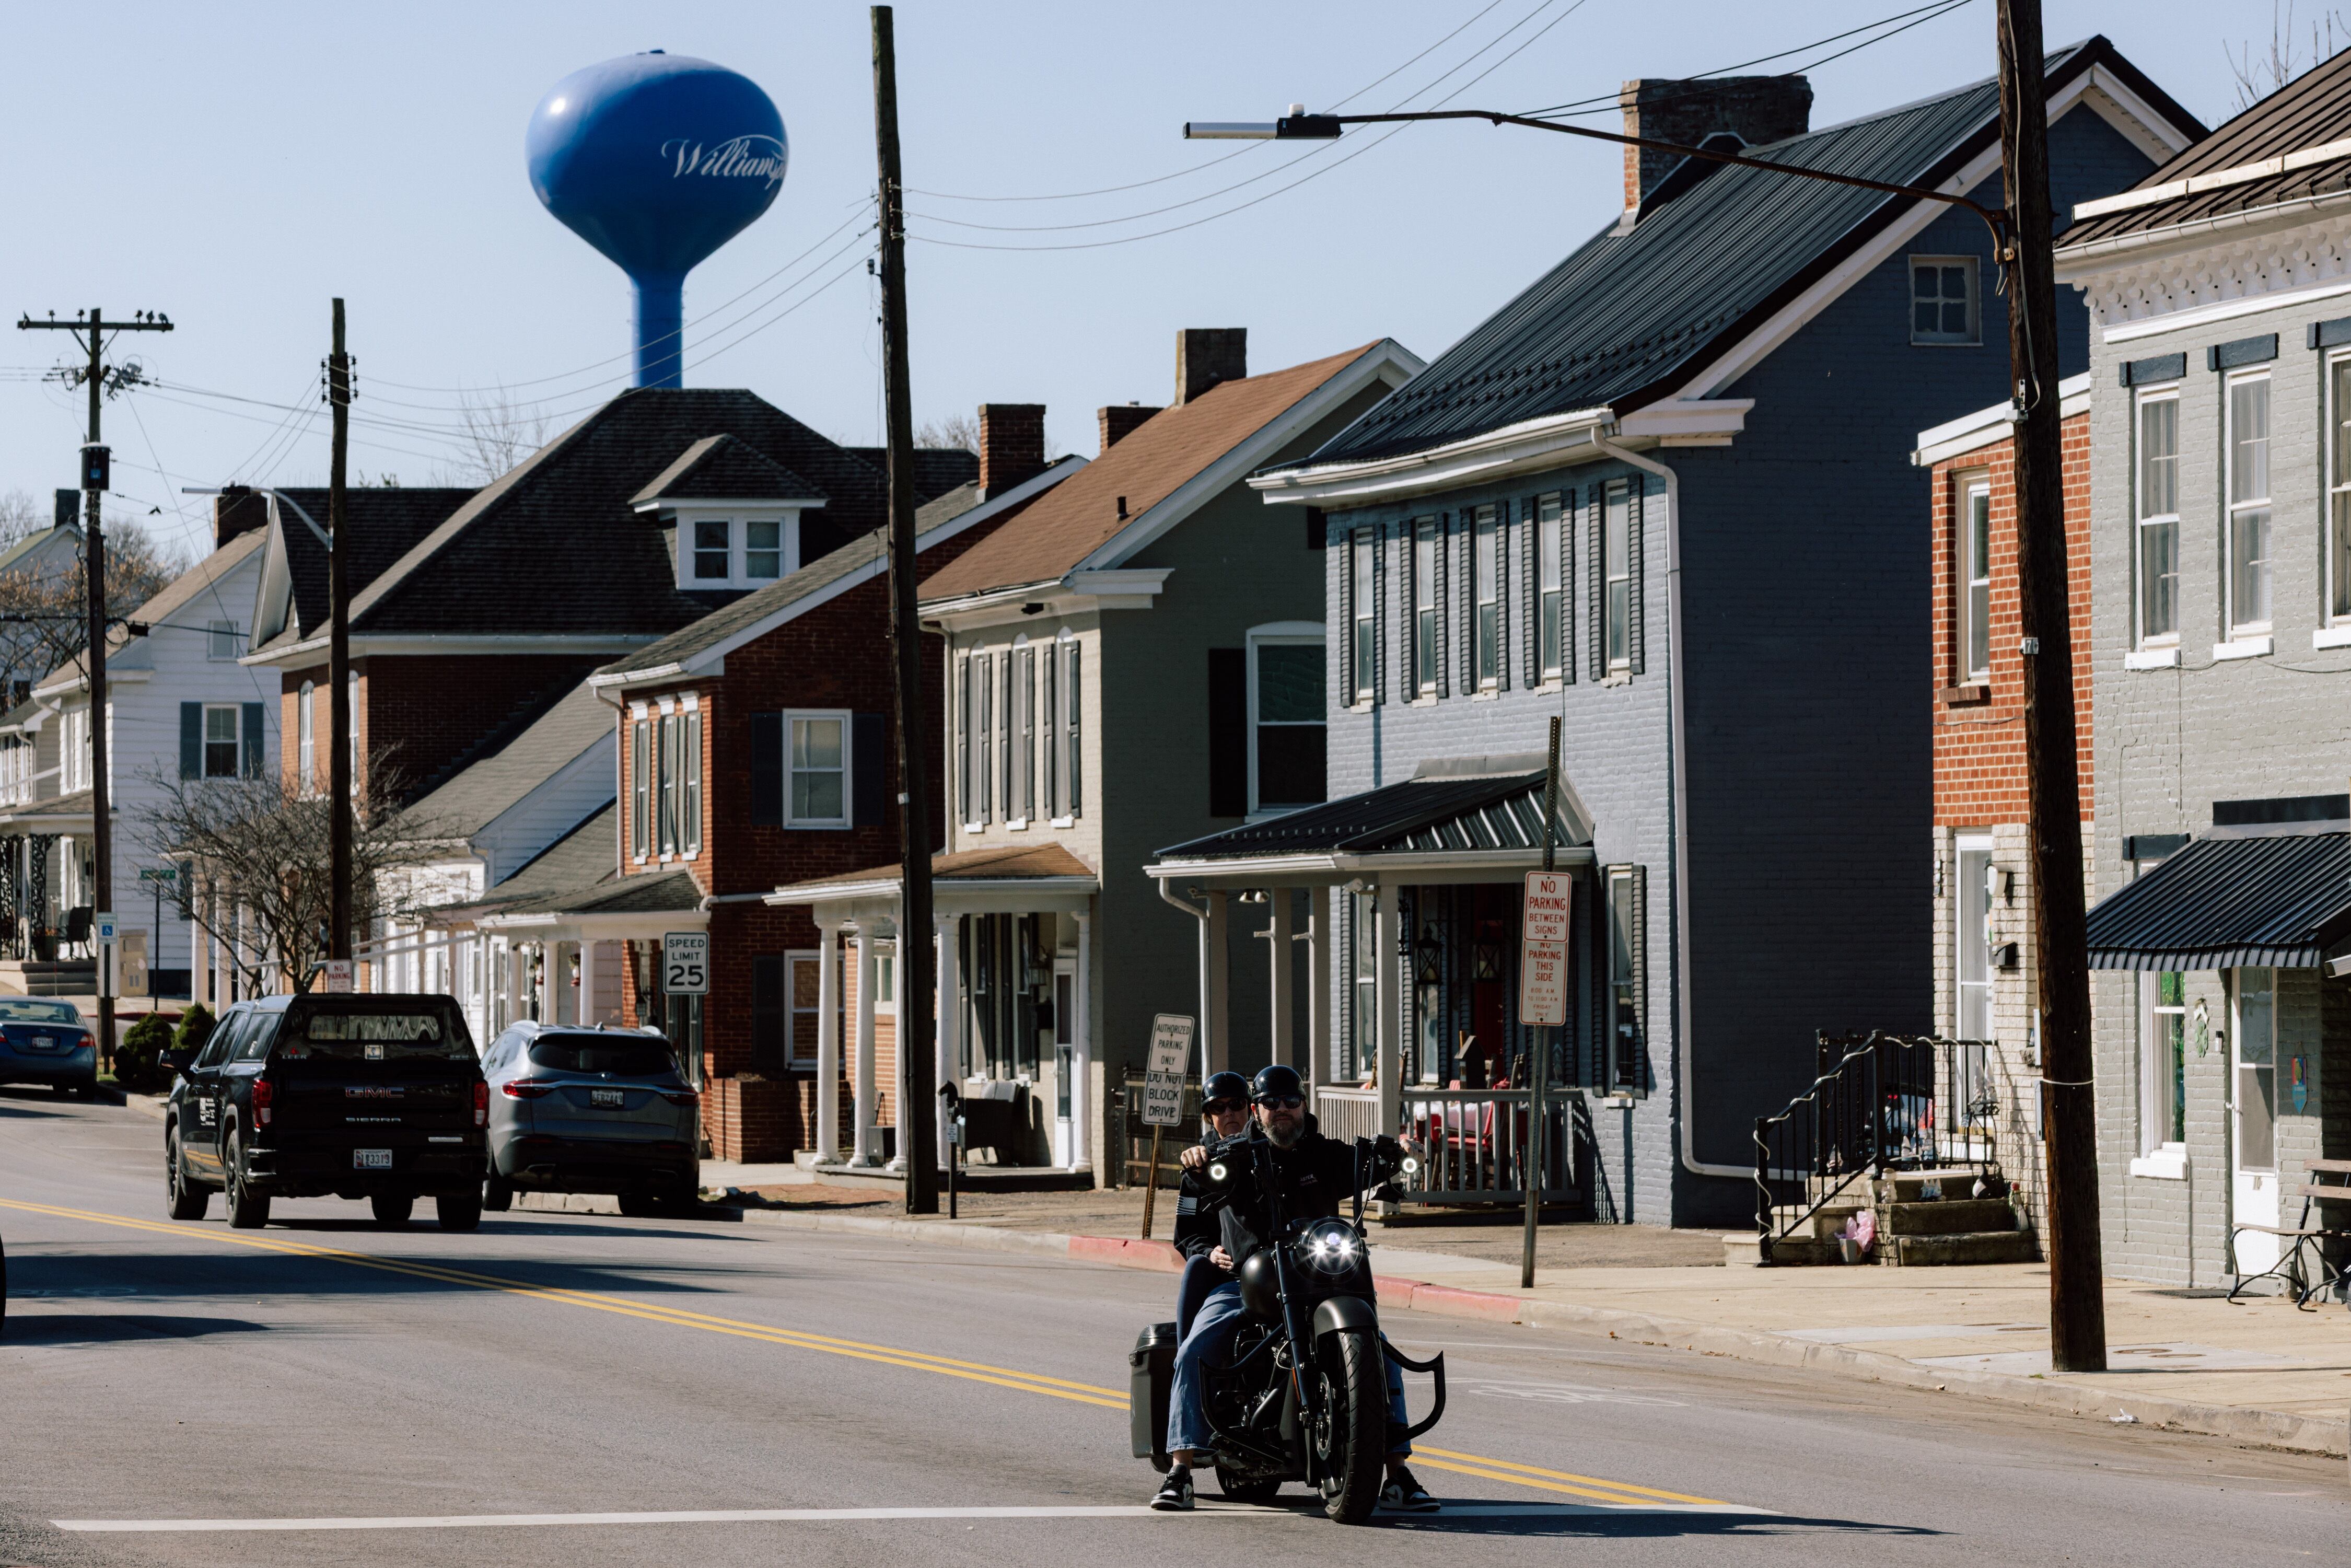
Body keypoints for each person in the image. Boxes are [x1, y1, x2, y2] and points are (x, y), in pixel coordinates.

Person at [1151, 1064, 1436, 1514]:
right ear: (1257, 1111)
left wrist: (1404, 1150)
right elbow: (1189, 1219)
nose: (1281, 1109)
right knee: (1195, 1349)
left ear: (1304, 1104)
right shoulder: (1231, 1158)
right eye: (1270, 1102)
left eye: (1290, 1100)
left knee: (1381, 1356)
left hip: (1317, 1279)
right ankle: (1180, 1469)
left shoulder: (1324, 1154)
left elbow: (1373, 1163)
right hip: (1245, 1282)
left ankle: (1397, 1474)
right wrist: (1207, 1239)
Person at [1172, 1071, 1251, 1338]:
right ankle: (1185, 1364)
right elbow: (1185, 1234)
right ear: (1209, 1116)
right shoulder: (1198, 1166)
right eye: (1219, 1107)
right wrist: (1209, 1253)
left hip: (1275, 1264)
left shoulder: (1270, 1150)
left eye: (1236, 1104)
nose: (1229, 1112)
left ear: (1250, 1108)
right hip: (1230, 1273)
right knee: (1196, 1267)